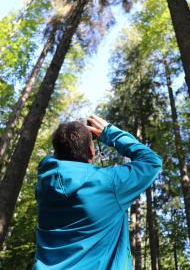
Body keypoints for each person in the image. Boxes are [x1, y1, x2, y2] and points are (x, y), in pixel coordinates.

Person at [33, 115, 162, 270]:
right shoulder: (109, 183)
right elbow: (151, 162)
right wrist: (109, 132)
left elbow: (57, 159)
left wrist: (68, 145)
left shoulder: (45, 186)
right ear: (91, 151)